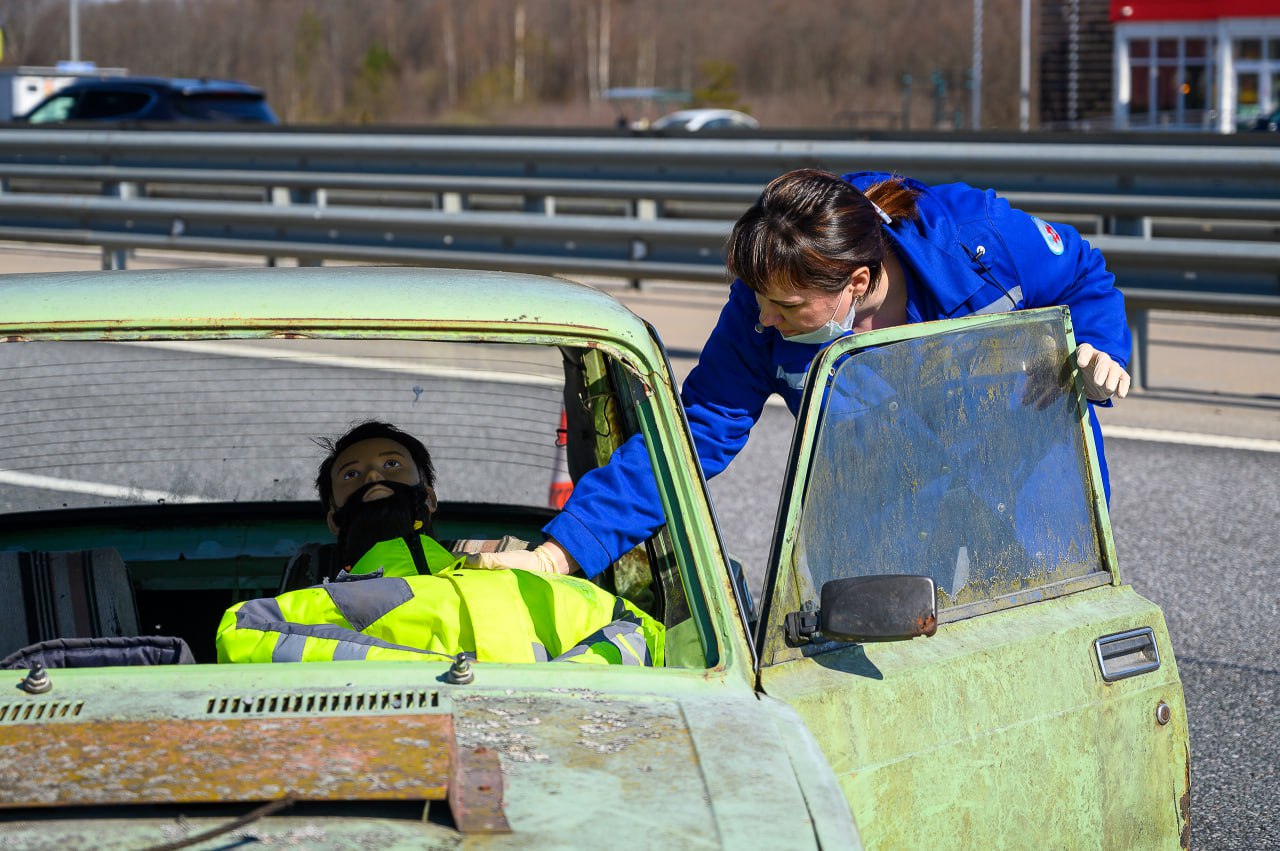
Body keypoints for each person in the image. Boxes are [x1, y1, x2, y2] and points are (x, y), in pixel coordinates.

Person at [470, 167, 1132, 581]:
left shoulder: (980, 242)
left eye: (785, 306)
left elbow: (1085, 274)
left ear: (858, 283)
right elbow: (689, 441)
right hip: (880, 501)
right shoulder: (762, 303)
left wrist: (1103, 350)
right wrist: (560, 553)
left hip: (1015, 480)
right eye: (759, 299)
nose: (764, 317)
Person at [216, 421, 664, 666]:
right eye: (351, 474)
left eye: (392, 464)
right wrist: (437, 673)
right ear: (334, 518)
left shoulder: (516, 575)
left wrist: (563, 687)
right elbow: (240, 637)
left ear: (428, 498)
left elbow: (643, 632)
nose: (374, 476)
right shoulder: (322, 602)